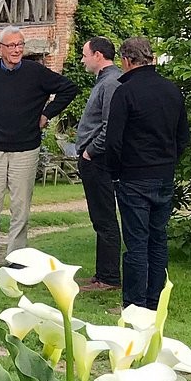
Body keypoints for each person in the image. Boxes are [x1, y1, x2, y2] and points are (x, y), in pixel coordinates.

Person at [0, 27, 77, 273]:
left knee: (20, 207)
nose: (17, 49)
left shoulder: (36, 72)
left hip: (26, 148)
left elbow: (68, 88)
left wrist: (47, 114)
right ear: (0, 48)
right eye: (11, 45)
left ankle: (16, 255)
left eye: (20, 44)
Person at [101, 35, 189, 311]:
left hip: (134, 175)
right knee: (158, 239)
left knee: (137, 243)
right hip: (164, 174)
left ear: (127, 60)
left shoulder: (125, 92)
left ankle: (134, 304)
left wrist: (115, 172)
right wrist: (170, 162)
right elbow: (182, 136)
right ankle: (154, 301)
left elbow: (113, 141)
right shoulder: (172, 90)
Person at [71, 37, 123, 293]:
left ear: (98, 55)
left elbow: (110, 124)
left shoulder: (111, 82)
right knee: (99, 217)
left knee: (104, 217)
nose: (82, 60)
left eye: (85, 55)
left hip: (98, 160)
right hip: (93, 158)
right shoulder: (105, 80)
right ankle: (102, 273)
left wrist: (91, 151)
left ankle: (109, 277)